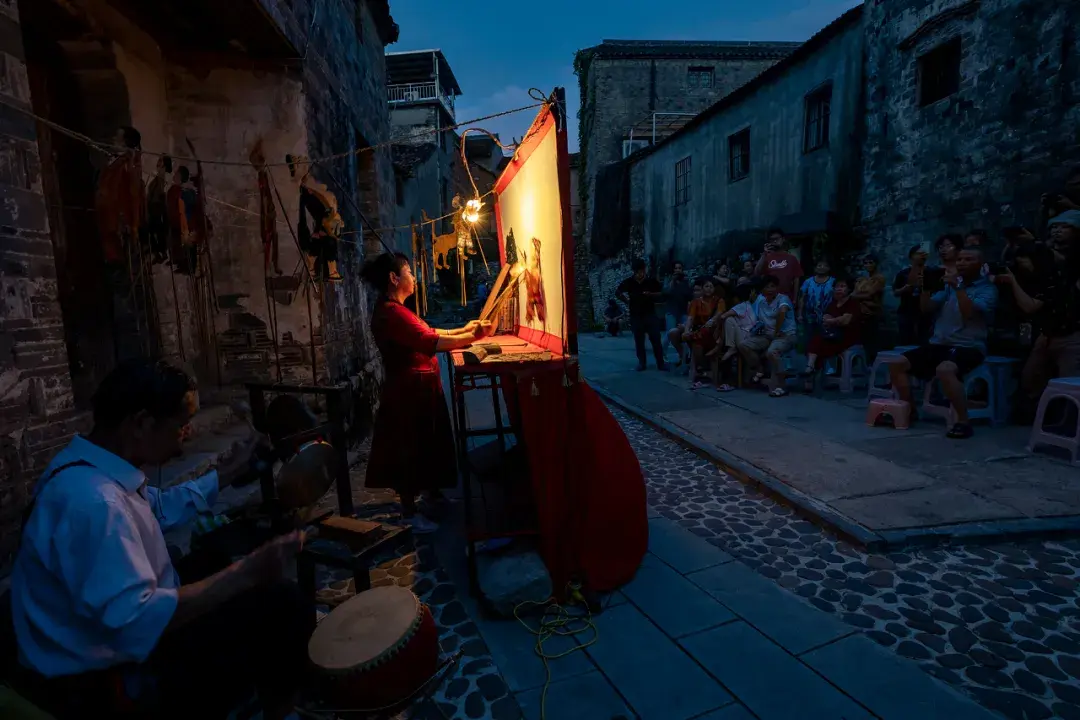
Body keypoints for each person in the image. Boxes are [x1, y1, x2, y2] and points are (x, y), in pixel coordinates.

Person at [9, 359, 312, 720]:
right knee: (283, 604)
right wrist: (247, 572)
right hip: (103, 678)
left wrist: (232, 471)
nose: (186, 437)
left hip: (111, 631)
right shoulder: (94, 502)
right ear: (140, 423)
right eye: (180, 426)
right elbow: (137, 620)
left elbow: (159, 507)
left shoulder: (89, 466)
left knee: (218, 552)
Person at [363, 252, 494, 534]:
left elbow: (429, 329)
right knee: (410, 450)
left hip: (420, 387)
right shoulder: (390, 313)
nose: (414, 277)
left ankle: (433, 495)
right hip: (407, 392)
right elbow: (429, 340)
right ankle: (409, 513)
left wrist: (465, 328)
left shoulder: (400, 309)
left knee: (430, 444)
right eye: (409, 271)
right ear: (394, 278)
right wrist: (475, 337)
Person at [887, 248, 998, 439]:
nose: (962, 262)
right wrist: (925, 288)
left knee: (945, 369)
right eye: (960, 259)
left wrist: (958, 288)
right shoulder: (949, 287)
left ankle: (963, 421)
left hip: (968, 346)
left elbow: (969, 314)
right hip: (939, 344)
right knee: (897, 363)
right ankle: (910, 410)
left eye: (968, 259)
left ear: (980, 265)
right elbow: (927, 308)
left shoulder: (987, 289)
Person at [996, 244, 1080, 420]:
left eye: (1025, 262)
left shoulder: (1056, 279)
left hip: (1070, 337)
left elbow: (1029, 306)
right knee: (1030, 378)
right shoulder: (1030, 279)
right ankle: (1038, 415)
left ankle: (1068, 424)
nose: (1022, 266)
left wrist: (1013, 282)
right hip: (1046, 335)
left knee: (1069, 386)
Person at [802, 277, 862, 392]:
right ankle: (809, 372)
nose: (839, 289)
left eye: (842, 286)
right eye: (837, 286)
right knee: (815, 344)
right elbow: (825, 317)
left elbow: (846, 320)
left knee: (816, 345)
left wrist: (832, 321)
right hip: (832, 334)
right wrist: (834, 320)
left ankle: (809, 373)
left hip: (847, 336)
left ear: (849, 289)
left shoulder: (853, 303)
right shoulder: (833, 303)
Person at [744, 275, 796, 397]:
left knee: (772, 352)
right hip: (767, 336)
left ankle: (782, 385)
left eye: (773, 286)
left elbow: (782, 312)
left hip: (785, 335)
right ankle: (760, 369)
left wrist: (777, 331)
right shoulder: (761, 302)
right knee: (744, 345)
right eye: (767, 287)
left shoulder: (783, 299)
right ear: (762, 290)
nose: (770, 289)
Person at [616, 258, 667, 371]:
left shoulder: (651, 281)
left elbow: (662, 294)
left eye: (642, 271)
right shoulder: (629, 282)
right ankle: (642, 363)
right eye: (637, 272)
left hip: (650, 313)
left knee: (655, 339)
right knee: (639, 340)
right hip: (636, 315)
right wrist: (627, 301)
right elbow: (618, 292)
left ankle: (661, 363)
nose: (640, 274)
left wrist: (651, 294)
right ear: (634, 272)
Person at [708, 282, 758, 391]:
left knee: (729, 320)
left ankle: (727, 347)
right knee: (730, 320)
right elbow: (723, 317)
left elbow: (723, 317)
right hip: (744, 336)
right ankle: (727, 346)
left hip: (746, 337)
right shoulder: (745, 306)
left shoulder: (746, 305)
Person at [683, 278, 725, 388]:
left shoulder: (719, 300)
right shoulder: (695, 302)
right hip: (700, 333)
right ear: (702, 288)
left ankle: (702, 371)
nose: (709, 289)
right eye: (706, 286)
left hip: (714, 333)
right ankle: (699, 370)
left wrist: (712, 320)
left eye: (711, 287)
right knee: (697, 344)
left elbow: (720, 313)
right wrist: (686, 330)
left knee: (701, 334)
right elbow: (690, 318)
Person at [893, 244, 935, 345]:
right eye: (919, 253)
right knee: (905, 340)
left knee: (924, 340)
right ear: (912, 256)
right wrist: (905, 289)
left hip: (925, 312)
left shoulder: (931, 272)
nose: (922, 255)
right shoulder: (903, 273)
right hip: (906, 311)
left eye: (923, 253)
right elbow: (895, 292)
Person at [754, 228, 803, 301]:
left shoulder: (791, 258)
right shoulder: (766, 257)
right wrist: (764, 254)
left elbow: (796, 280)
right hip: (769, 300)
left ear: (783, 239)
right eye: (772, 239)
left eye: (777, 238)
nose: (774, 241)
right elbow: (757, 273)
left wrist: (795, 299)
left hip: (786, 299)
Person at [852, 254, 886, 358]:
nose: (868, 265)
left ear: (876, 264)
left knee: (871, 340)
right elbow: (853, 294)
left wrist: (857, 296)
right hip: (860, 312)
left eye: (871, 262)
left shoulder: (879, 278)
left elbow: (869, 294)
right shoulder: (862, 279)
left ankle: (871, 365)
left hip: (872, 312)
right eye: (866, 263)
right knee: (859, 339)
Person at [797, 259, 835, 344]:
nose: (822, 267)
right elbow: (801, 298)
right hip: (810, 316)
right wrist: (799, 314)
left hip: (828, 316)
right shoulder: (808, 282)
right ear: (815, 268)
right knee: (810, 339)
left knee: (826, 339)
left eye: (825, 266)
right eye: (819, 265)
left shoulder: (833, 282)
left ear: (829, 268)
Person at [668, 279, 703, 368]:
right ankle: (684, 355)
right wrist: (684, 326)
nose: (696, 293)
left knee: (690, 335)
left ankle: (695, 362)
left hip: (701, 329)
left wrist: (686, 327)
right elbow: (689, 318)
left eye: (698, 290)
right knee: (672, 332)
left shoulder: (707, 303)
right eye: (694, 290)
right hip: (689, 327)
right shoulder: (691, 303)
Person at [663, 261, 693, 358]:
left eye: (679, 268)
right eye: (675, 268)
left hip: (683, 311)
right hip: (671, 311)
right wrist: (673, 281)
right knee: (669, 333)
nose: (677, 270)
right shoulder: (668, 280)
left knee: (685, 332)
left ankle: (684, 355)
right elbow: (665, 293)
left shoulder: (686, 281)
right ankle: (662, 354)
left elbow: (689, 295)